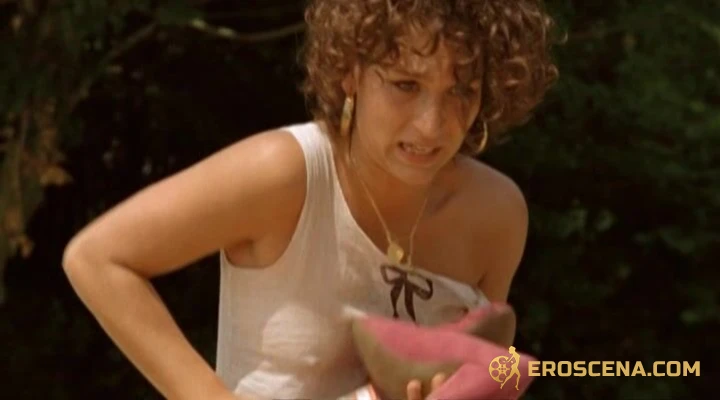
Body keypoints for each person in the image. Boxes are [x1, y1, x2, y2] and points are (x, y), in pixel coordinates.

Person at [62, 0, 559, 399]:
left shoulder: (498, 214)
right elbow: (98, 259)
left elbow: (479, 368)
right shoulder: (284, 174)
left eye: (461, 91)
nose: (432, 125)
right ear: (351, 72)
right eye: (406, 84)